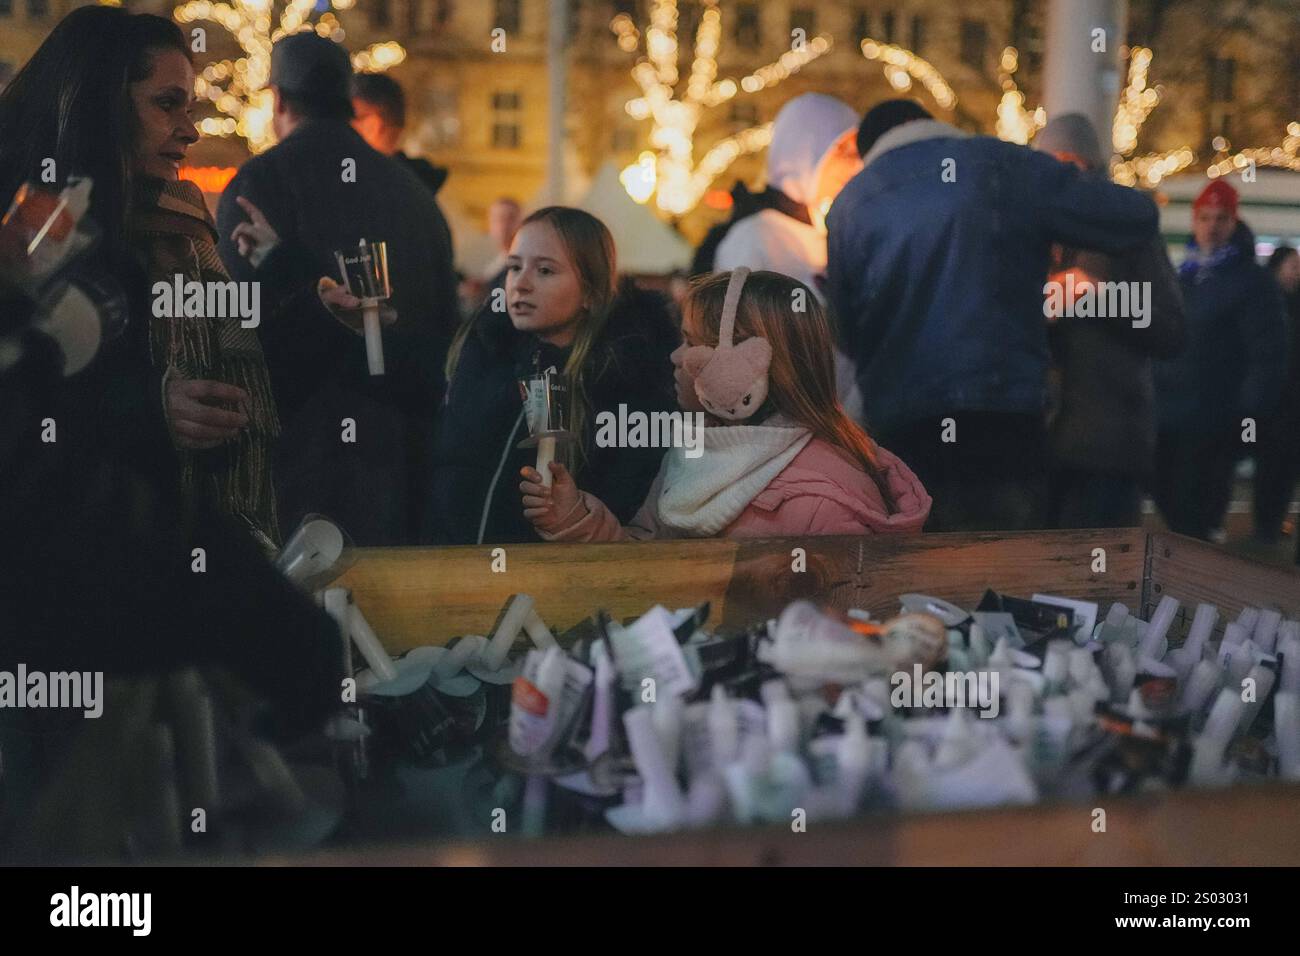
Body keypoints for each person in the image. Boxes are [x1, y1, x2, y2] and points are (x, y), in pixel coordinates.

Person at [0, 6, 281, 544]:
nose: (191, 130)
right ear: (99, 101)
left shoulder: (166, 221)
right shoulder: (25, 220)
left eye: (190, 106)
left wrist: (314, 311)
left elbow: (238, 365)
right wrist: (148, 408)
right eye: (167, 103)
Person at [826, 99, 1161, 532]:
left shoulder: (850, 203)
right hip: (1001, 417)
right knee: (1002, 570)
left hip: (900, 427)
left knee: (916, 573)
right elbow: (1132, 216)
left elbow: (846, 333)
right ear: (923, 123)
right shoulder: (1000, 163)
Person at [217, 32, 458, 545]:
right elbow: (443, 336)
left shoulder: (260, 183)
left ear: (278, 100)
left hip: (291, 471)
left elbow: (239, 337)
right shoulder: (416, 197)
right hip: (401, 470)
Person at [519, 269, 931, 541]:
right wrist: (576, 519)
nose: (676, 357)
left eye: (693, 343)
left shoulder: (823, 505)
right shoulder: (697, 448)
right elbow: (647, 566)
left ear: (749, 366)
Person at [431, 206, 678, 544]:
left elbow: (630, 516)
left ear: (591, 292)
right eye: (514, 267)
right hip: (449, 571)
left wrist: (575, 514)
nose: (522, 283)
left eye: (545, 270)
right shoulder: (482, 352)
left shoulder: (628, 386)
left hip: (548, 585)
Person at [1034, 114, 1186, 528]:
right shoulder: (1028, 222)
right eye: (1051, 162)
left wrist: (1097, 295)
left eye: (1072, 161)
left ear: (1092, 165)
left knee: (1098, 578)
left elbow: (1170, 327)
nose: (1062, 173)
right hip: (1035, 439)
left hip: (1105, 443)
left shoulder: (1127, 226)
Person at [712, 93, 865, 419]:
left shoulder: (839, 237)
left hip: (845, 431)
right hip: (781, 432)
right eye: (843, 150)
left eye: (858, 152)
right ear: (804, 149)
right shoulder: (753, 238)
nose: (855, 165)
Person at [1153, 179, 1288, 541]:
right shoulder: (1186, 275)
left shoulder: (1251, 283)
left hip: (1213, 417)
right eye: (1205, 217)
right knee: (1171, 498)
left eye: (1221, 218)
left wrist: (1245, 415)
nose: (1212, 226)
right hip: (1171, 412)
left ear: (1234, 223)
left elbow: (1268, 355)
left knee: (1194, 510)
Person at [1252, 245, 1300, 547]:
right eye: (1293, 266)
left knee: (1282, 465)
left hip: (1288, 400)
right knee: (1272, 464)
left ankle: (1270, 522)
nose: (1297, 272)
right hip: (1273, 399)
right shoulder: (1268, 304)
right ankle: (1266, 523)